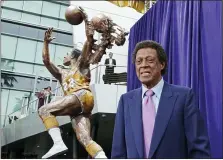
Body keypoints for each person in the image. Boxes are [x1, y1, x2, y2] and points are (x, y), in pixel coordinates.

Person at [111, 40, 210, 158]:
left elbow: (198, 148)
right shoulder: (125, 101)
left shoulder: (184, 97)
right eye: (139, 61)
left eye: (150, 60)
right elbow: (118, 152)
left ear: (162, 64)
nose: (143, 65)